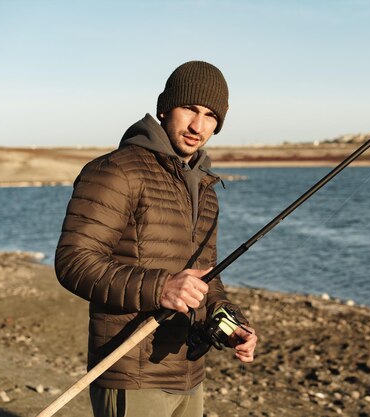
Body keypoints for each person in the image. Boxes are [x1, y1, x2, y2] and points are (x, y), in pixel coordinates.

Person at [55, 60, 258, 417]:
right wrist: (161, 287)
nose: (198, 125)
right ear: (164, 108)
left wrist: (231, 325)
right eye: (190, 109)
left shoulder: (206, 189)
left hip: (188, 372)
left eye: (210, 116)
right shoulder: (117, 170)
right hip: (130, 371)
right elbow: (74, 261)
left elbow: (205, 280)